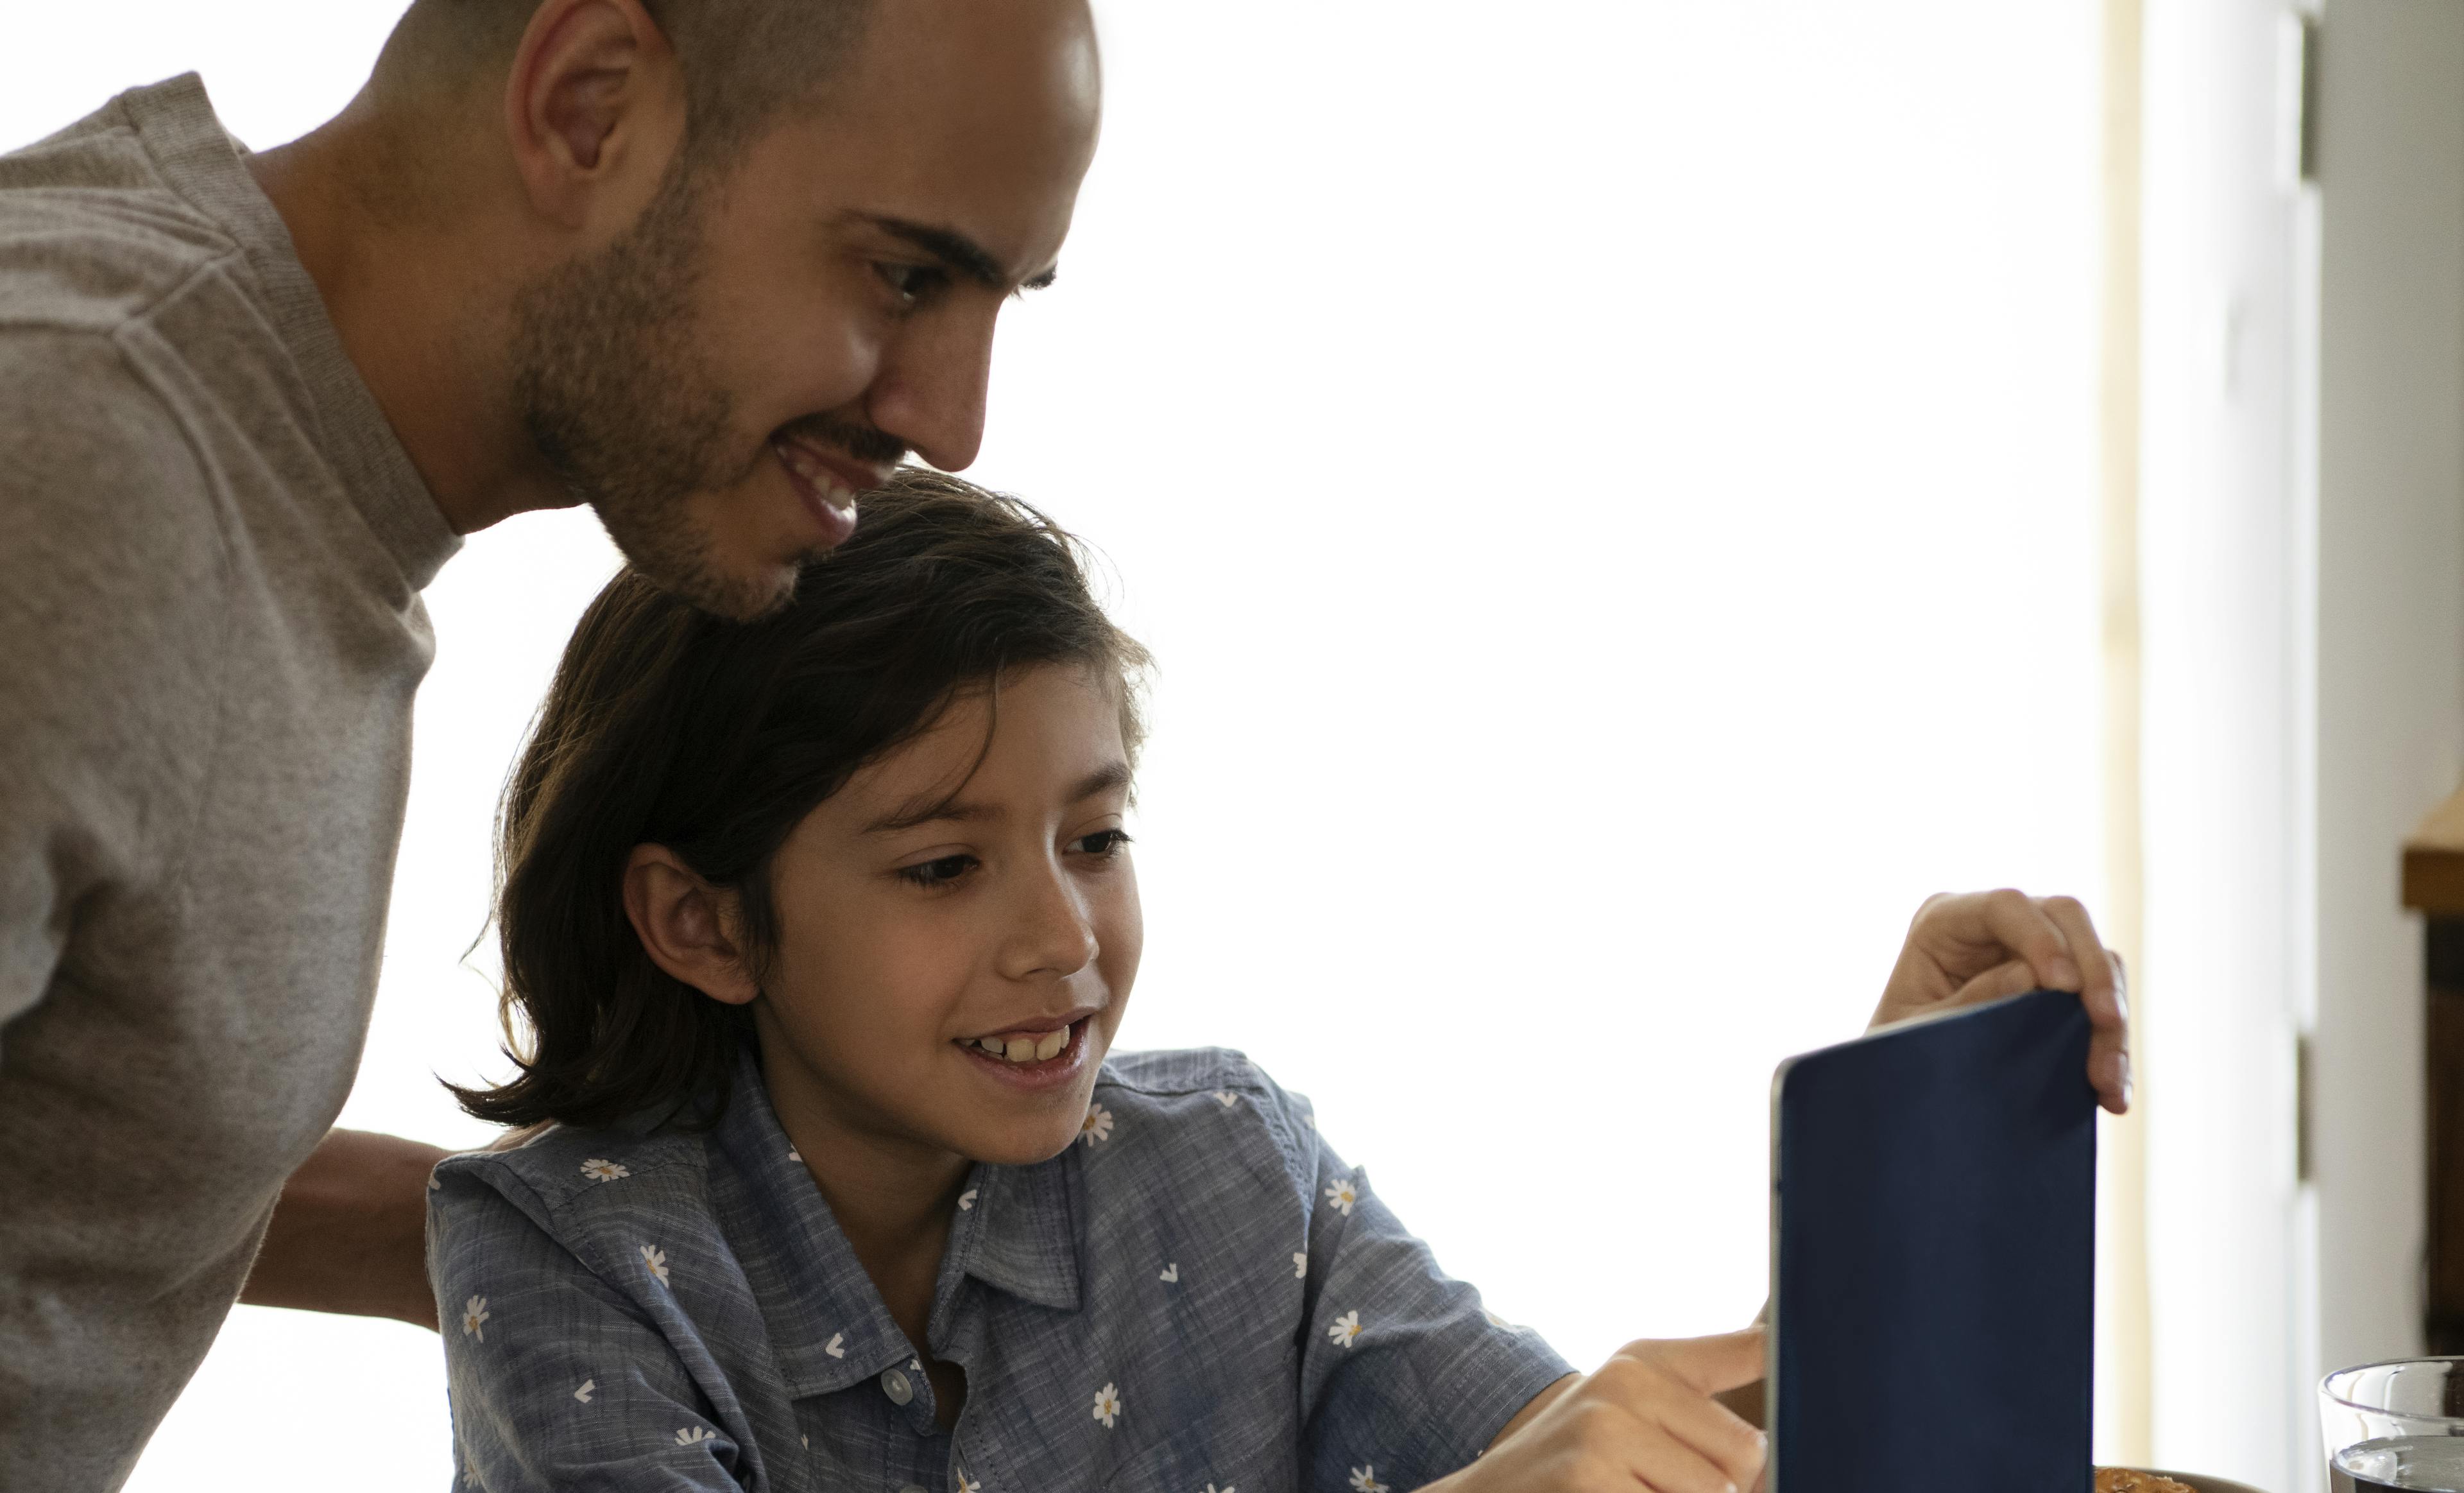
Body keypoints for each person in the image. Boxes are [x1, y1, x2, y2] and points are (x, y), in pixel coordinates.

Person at [427, 467, 2131, 1492]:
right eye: (944, 863)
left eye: (1095, 835)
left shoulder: (1230, 1163)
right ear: (703, 920)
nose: (1063, 939)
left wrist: (1899, 1143)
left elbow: (1632, 1449)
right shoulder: (580, 1261)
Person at [0, 0, 1099, 1483]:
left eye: (1004, 298)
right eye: (906, 274)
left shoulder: (236, 456)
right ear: (589, 108)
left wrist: (582, 1246)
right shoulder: (73, 480)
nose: (954, 421)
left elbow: (73, 1140)